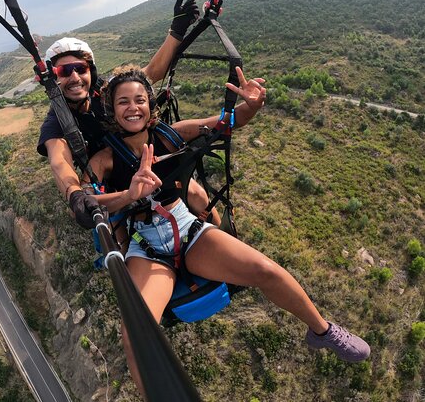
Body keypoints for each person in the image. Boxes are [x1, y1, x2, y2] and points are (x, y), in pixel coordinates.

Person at [85, 66, 370, 395]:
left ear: (150, 104)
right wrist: (129, 194)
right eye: (123, 102)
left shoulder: (171, 134)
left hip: (186, 227)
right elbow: (87, 200)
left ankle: (322, 331)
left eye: (139, 100)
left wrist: (251, 105)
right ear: (112, 109)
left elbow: (225, 122)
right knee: (136, 330)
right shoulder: (104, 160)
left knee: (265, 269)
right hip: (146, 245)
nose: (133, 107)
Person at [36, 0, 223, 228]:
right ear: (54, 78)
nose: (74, 77)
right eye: (64, 72)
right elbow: (59, 161)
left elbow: (150, 74)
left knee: (197, 195)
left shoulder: (106, 91)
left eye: (80, 68)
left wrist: (176, 31)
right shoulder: (57, 121)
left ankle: (226, 237)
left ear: (90, 71)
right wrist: (75, 194)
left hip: (143, 157)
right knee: (119, 236)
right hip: (112, 179)